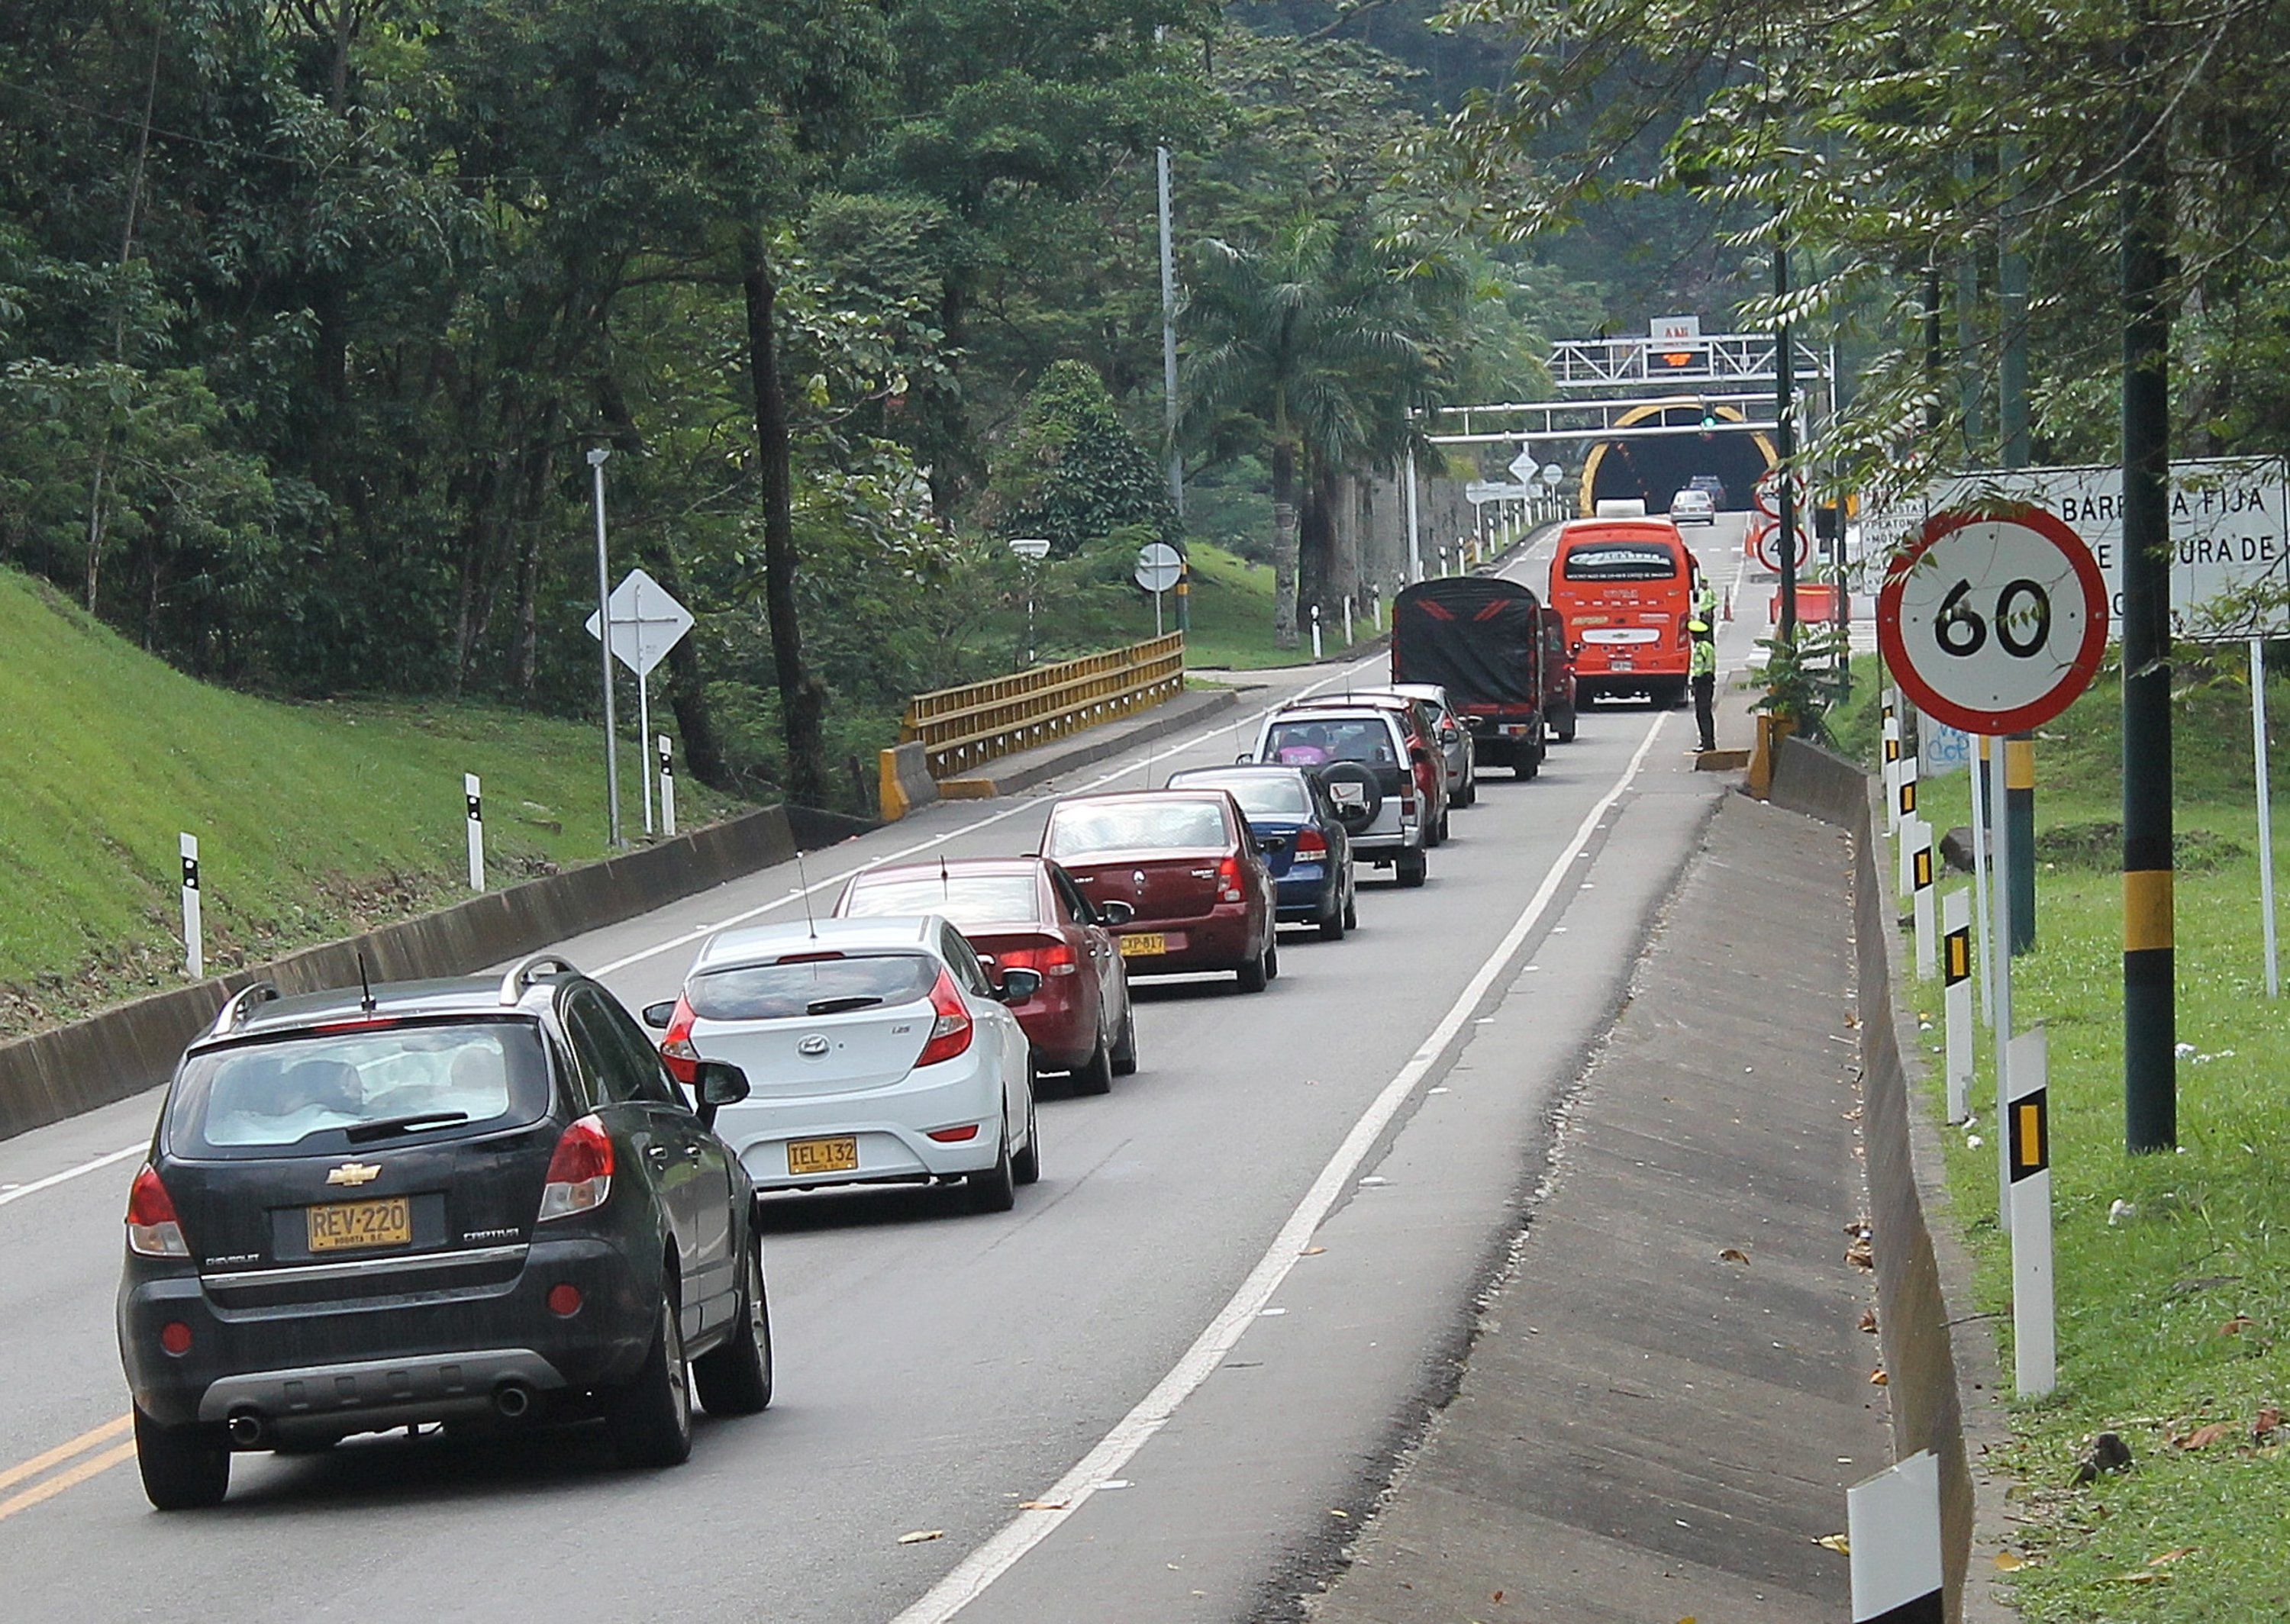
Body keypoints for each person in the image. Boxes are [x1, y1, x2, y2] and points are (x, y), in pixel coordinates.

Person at [1688, 617, 1718, 752]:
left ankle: (1706, 742)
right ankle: (1709, 741)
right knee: (1706, 712)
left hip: (1702, 682)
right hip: (1709, 681)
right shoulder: (1709, 647)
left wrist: (1694, 682)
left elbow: (1699, 668)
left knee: (1702, 713)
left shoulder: (1700, 648)